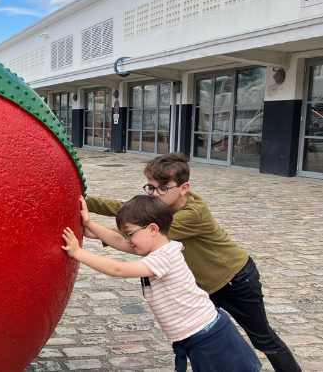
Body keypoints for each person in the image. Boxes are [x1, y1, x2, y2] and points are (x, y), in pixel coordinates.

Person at [86, 152, 300, 371]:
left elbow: (141, 233)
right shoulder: (164, 205)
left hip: (235, 280)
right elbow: (125, 208)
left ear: (183, 188)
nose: (155, 193)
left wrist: (97, 232)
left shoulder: (192, 214)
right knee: (205, 340)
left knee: (263, 339)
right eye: (150, 187)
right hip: (203, 287)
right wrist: (84, 200)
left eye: (162, 187)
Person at [63, 195, 261, 372]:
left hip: (210, 337)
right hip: (198, 336)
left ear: (152, 229)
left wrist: (78, 253)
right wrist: (89, 223)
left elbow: (118, 269)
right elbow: (119, 241)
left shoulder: (164, 257)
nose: (129, 240)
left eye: (130, 233)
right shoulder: (158, 249)